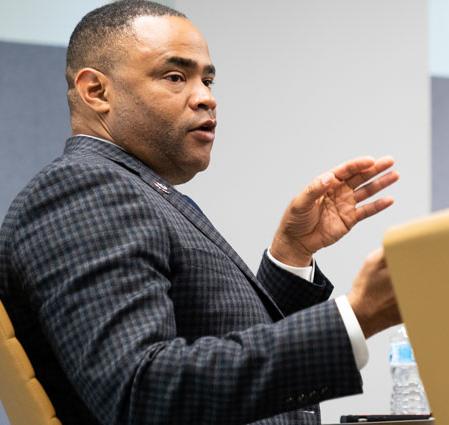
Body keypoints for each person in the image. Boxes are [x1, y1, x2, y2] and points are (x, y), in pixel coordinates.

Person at [0, 2, 402, 424]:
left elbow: (219, 345)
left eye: (207, 79)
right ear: (96, 91)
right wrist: (353, 319)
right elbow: (143, 390)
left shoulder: (132, 188)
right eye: (176, 77)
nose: (206, 97)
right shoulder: (83, 189)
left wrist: (290, 257)